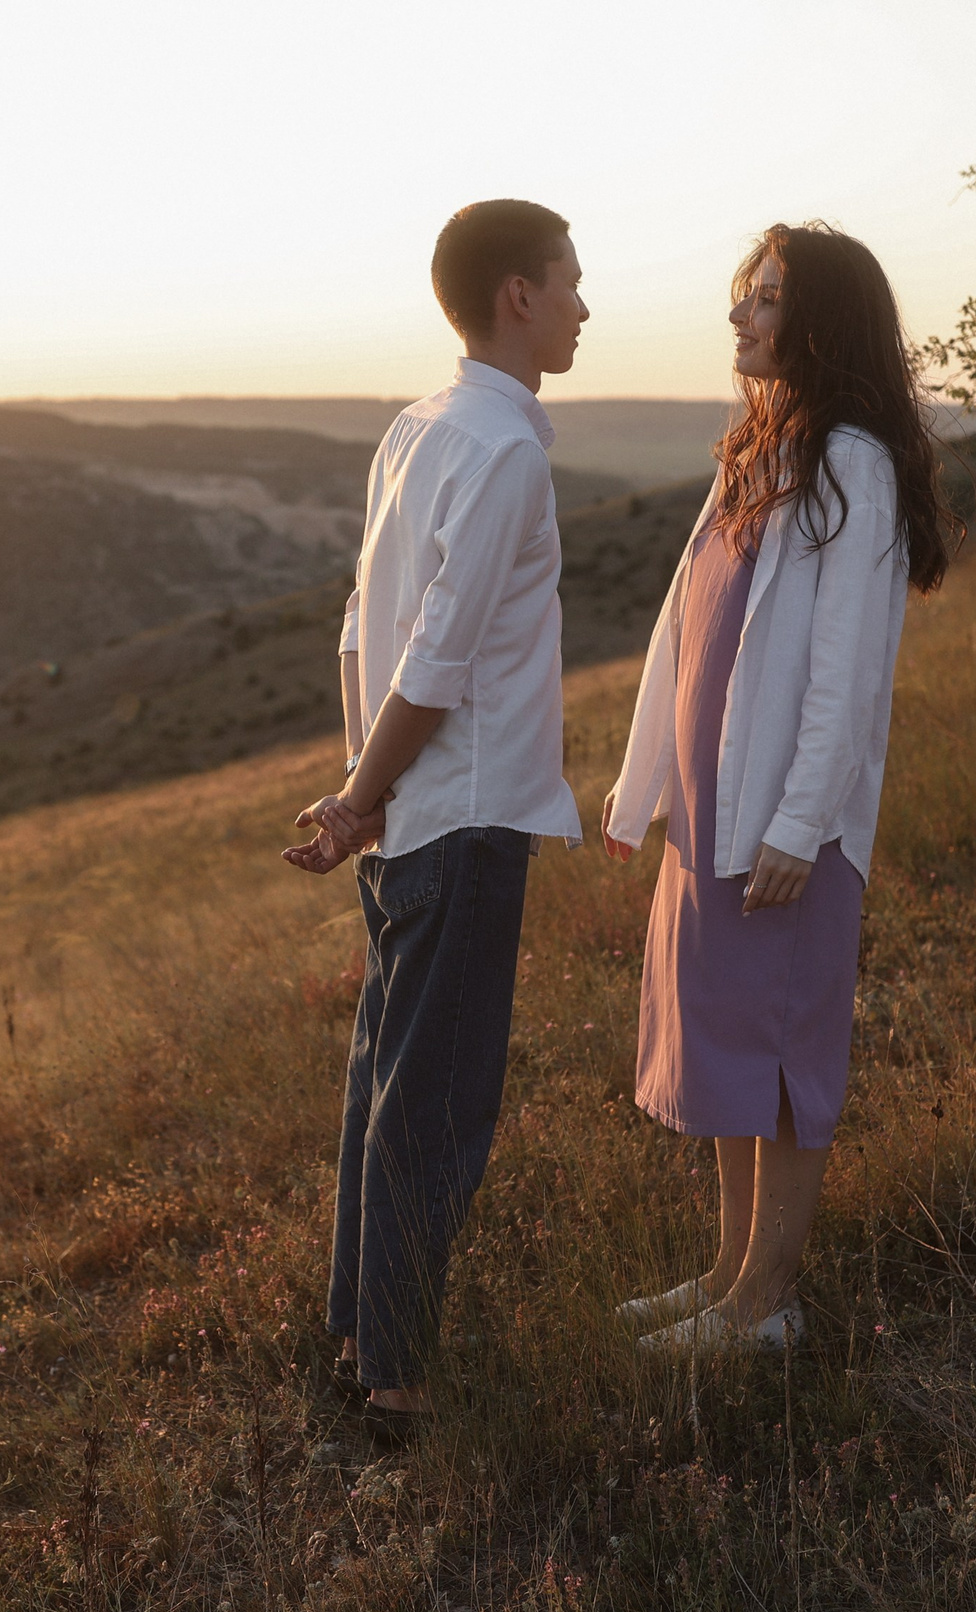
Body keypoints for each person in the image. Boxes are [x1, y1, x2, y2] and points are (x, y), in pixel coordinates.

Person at [601, 222, 956, 1351]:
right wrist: (645, 784)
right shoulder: (759, 450)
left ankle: (768, 1304)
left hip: (785, 814)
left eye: (765, 299)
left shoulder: (850, 458)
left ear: (821, 320)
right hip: (716, 800)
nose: (739, 314)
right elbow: (682, 634)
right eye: (742, 294)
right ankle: (728, 1273)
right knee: (728, 1036)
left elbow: (846, 674)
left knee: (785, 1046)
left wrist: (802, 822)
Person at [282, 198, 588, 1446]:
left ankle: (359, 1335)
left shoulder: (417, 428)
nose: (582, 303)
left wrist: (363, 794)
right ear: (514, 295)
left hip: (410, 812)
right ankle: (397, 1392)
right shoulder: (505, 449)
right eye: (569, 279)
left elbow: (364, 626)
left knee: (382, 1083)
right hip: (457, 816)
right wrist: (362, 796)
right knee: (437, 1106)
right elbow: (437, 652)